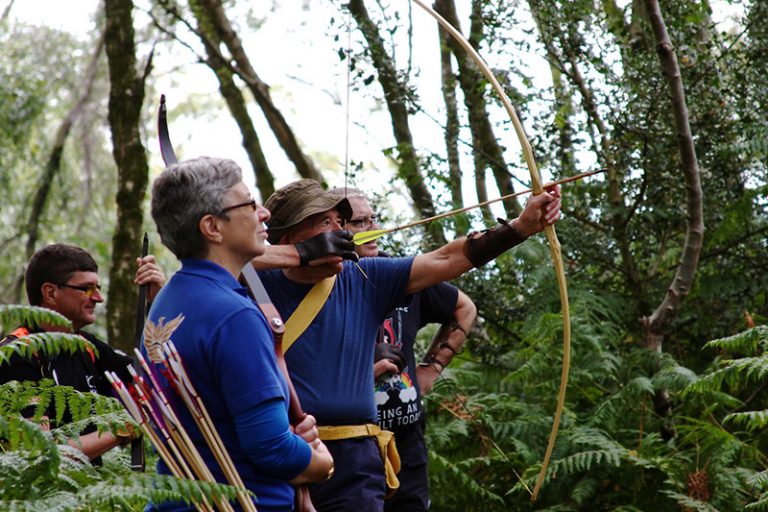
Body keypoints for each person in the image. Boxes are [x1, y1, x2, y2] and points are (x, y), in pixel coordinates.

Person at [255, 178, 561, 512]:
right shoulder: (255, 282)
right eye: (323, 222)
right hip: (281, 453)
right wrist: (298, 256)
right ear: (288, 237)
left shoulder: (366, 276)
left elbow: (446, 258)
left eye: (339, 221)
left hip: (355, 465)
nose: (340, 232)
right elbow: (218, 255)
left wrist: (521, 227)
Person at [147, 156, 334, 512]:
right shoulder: (234, 316)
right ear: (212, 227)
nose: (263, 213)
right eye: (249, 203)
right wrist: (320, 462)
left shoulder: (167, 301)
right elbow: (272, 449)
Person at [329, 187, 477, 512]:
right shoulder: (322, 279)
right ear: (335, 228)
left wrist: (432, 369)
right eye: (360, 222)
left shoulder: (401, 274)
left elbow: (463, 308)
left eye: (374, 219)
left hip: (406, 441)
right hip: (349, 444)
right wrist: (365, 367)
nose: (373, 229)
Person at [0, 242, 165, 461]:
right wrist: (124, 428)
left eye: (98, 288)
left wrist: (159, 301)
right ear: (50, 293)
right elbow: (41, 456)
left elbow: (157, 377)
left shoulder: (86, 345)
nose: (98, 298)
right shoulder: (17, 354)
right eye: (87, 288)